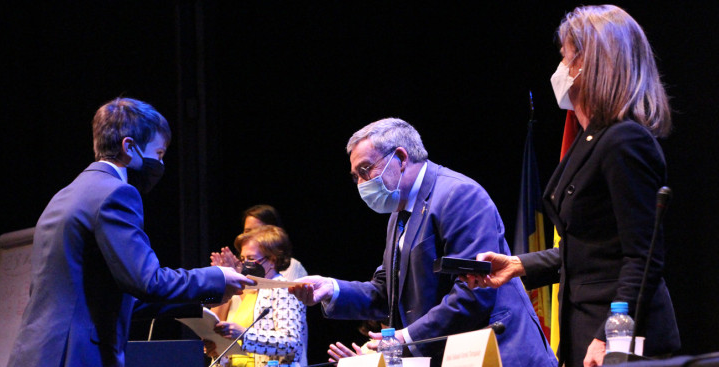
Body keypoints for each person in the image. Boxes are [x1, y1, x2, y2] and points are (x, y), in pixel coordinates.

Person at [462, 5, 680, 367]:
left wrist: (612, 335)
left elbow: (643, 257)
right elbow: (591, 249)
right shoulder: (593, 139)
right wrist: (518, 265)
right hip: (585, 331)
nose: (560, 70)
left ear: (587, 64)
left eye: (565, 58)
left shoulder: (625, 141)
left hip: (617, 339)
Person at [6, 98, 255, 367]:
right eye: (158, 154)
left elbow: (124, 298)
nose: (160, 165)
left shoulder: (65, 195)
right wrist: (216, 277)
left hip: (38, 354)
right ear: (129, 147)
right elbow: (147, 282)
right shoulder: (116, 194)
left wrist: (213, 294)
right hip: (74, 356)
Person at [290, 118, 557, 367]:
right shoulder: (399, 213)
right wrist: (331, 289)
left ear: (401, 158)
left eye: (365, 170)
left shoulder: (458, 195)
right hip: (453, 354)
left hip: (500, 352)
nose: (360, 183)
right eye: (355, 176)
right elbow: (387, 292)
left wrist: (403, 339)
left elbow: (474, 293)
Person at [205, 225, 307, 366]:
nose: (245, 263)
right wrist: (217, 346)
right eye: (243, 258)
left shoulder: (283, 288)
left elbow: (291, 342)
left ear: (273, 259)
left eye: (251, 258)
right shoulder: (250, 290)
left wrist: (244, 334)